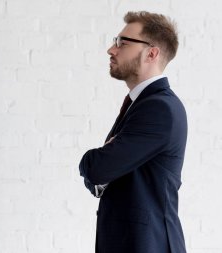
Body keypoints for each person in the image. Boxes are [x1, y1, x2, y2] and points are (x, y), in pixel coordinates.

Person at [79, 11, 187, 253]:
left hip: (147, 245)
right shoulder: (142, 104)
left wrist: (92, 160)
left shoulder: (159, 108)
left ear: (152, 53)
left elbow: (97, 168)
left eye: (122, 43)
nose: (111, 49)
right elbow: (101, 175)